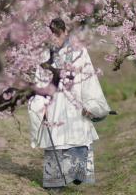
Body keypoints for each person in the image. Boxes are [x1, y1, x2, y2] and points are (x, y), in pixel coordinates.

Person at [28, 18, 111, 192]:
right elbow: (40, 80)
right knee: (56, 142)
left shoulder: (79, 51)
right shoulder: (45, 53)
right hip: (54, 103)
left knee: (78, 138)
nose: (56, 39)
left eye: (59, 34)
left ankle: (77, 174)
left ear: (66, 31)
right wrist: (39, 106)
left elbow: (89, 77)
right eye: (53, 35)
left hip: (75, 101)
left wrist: (91, 103)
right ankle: (55, 183)